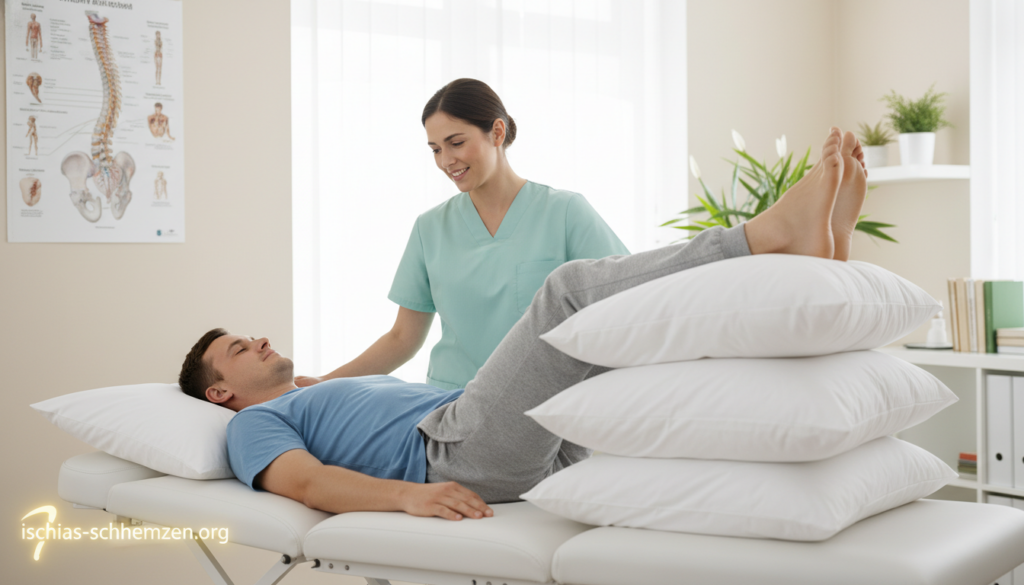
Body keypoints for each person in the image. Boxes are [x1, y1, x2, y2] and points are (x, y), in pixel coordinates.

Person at [179, 128, 867, 521]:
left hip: (515, 438)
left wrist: (316, 382)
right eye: (238, 348)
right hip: (455, 452)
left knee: (620, 336)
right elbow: (306, 485)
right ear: (219, 392)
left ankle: (806, 260)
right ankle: (766, 236)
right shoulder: (252, 426)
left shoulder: (308, 393)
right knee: (568, 293)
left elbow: (373, 363)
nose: (258, 339)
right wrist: (411, 497)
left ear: (498, 133)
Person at [295, 78, 629, 394]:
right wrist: (324, 383)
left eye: (456, 143)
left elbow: (628, 300)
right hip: (450, 406)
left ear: (497, 132)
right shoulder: (430, 228)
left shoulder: (565, 212)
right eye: (435, 149)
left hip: (538, 401)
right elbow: (402, 339)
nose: (446, 161)